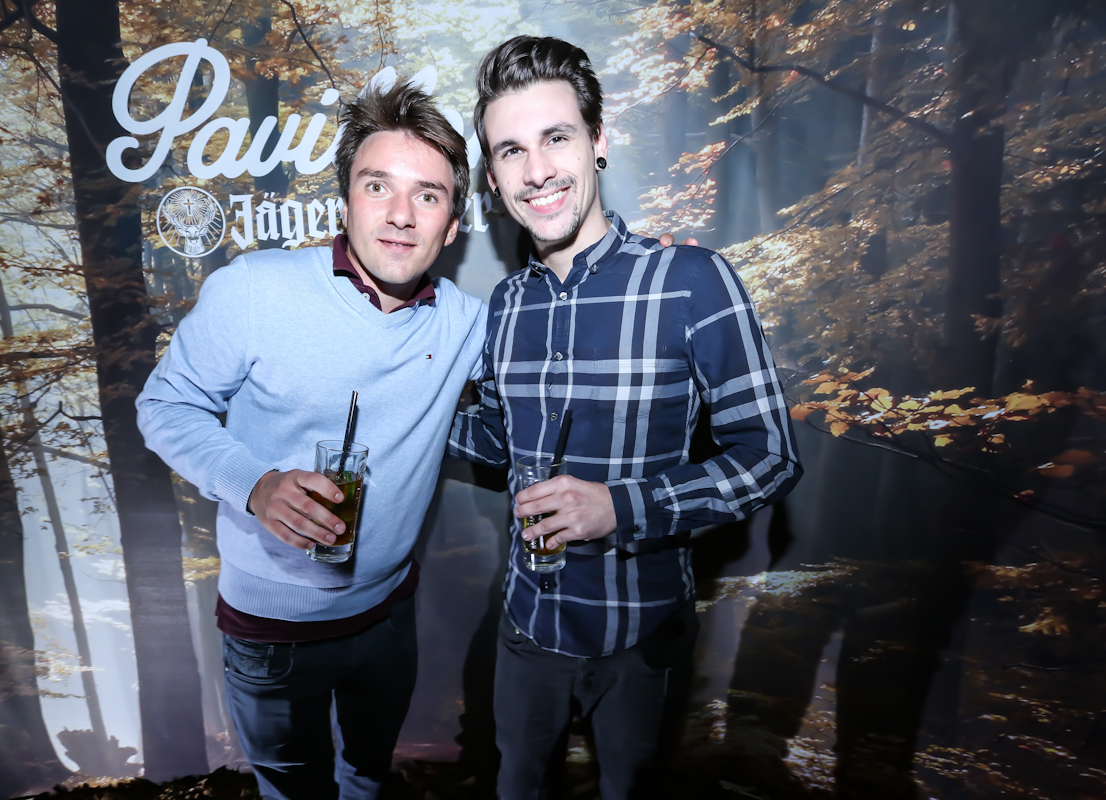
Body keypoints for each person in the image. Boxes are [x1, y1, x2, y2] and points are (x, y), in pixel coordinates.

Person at [448, 36, 803, 799]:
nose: (536, 170)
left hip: (641, 637)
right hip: (526, 628)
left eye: (556, 137)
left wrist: (622, 507)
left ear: (598, 141)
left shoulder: (691, 281)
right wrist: (413, 412)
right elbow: (500, 442)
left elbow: (770, 455)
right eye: (511, 150)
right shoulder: (504, 305)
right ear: (493, 178)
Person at [136, 80, 487, 800]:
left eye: (427, 195)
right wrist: (256, 485)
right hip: (270, 632)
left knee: (367, 776)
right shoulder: (254, 289)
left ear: (452, 225)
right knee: (293, 792)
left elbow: (561, 364)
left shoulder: (466, 323)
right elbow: (165, 406)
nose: (400, 214)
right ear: (344, 203)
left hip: (389, 616)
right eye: (377, 186)